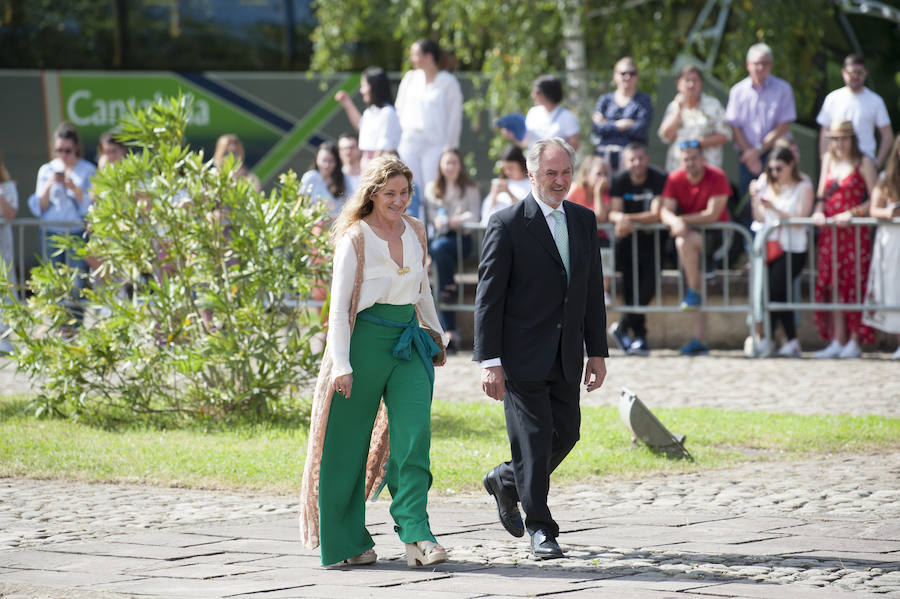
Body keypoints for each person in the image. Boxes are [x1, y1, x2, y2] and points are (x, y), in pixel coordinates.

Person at [298, 156, 448, 568]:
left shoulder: (416, 230)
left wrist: (436, 335)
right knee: (346, 445)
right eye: (390, 194)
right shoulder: (355, 238)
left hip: (409, 343)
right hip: (362, 344)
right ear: (372, 194)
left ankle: (417, 533)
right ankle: (348, 542)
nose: (398, 201)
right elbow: (339, 308)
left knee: (414, 435)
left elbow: (423, 291)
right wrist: (341, 364)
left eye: (404, 193)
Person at [473, 137, 608, 560]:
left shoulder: (584, 221)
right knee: (532, 444)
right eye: (551, 173)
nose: (560, 180)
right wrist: (490, 362)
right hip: (520, 358)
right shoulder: (507, 223)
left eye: (566, 172)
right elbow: (488, 299)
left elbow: (591, 292)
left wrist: (597, 352)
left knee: (566, 434)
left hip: (566, 354)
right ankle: (541, 529)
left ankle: (505, 481)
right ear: (531, 175)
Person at [812, 120, 878, 358]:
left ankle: (855, 338)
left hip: (854, 233)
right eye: (835, 139)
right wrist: (818, 211)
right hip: (831, 233)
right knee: (834, 284)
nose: (839, 144)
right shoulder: (828, 161)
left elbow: (875, 198)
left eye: (844, 138)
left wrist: (853, 213)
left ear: (853, 139)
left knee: (854, 283)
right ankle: (837, 339)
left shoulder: (864, 162)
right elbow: (821, 193)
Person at [659, 140, 731, 356]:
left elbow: (713, 214)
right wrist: (675, 222)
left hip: (718, 236)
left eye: (694, 158)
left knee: (684, 241)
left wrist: (680, 220)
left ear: (703, 158)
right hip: (689, 238)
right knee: (694, 273)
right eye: (685, 159)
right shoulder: (674, 178)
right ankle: (699, 338)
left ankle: (693, 293)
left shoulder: (717, 176)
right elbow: (664, 211)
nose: (690, 163)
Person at [28, 122, 96, 329]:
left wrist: (74, 187)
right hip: (51, 233)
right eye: (59, 150)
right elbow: (39, 206)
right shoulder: (46, 170)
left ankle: (75, 329)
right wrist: (50, 184)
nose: (63, 155)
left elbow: (89, 206)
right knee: (55, 283)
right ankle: (60, 330)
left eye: (67, 150)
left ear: (76, 147)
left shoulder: (87, 170)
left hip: (77, 232)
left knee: (76, 284)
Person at [750, 147, 814, 357]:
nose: (775, 173)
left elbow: (800, 217)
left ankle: (775, 338)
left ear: (791, 165)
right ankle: (783, 339)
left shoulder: (803, 186)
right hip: (771, 247)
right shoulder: (768, 185)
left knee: (776, 291)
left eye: (779, 168)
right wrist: (756, 198)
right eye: (772, 169)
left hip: (793, 248)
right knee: (776, 293)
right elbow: (759, 217)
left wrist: (774, 209)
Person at [725, 43, 796, 226]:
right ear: (748, 65)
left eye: (764, 63)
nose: (760, 68)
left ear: (771, 65)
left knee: (777, 198)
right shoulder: (737, 91)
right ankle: (750, 249)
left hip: (775, 154)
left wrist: (757, 150)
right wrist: (750, 154)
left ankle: (775, 248)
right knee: (748, 202)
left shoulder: (783, 89)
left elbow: (783, 125)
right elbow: (735, 127)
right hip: (747, 157)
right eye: (756, 63)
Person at [607, 142, 667, 356]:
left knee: (648, 287)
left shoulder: (658, 177)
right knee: (631, 290)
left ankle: (623, 326)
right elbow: (612, 212)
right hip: (626, 243)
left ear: (647, 159)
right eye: (632, 159)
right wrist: (620, 217)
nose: (637, 163)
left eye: (640, 158)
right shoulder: (619, 179)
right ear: (625, 162)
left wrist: (626, 218)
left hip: (652, 242)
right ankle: (640, 337)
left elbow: (656, 213)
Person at [424, 148, 480, 353]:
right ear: (440, 165)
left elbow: (474, 215)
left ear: (460, 165)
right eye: (447, 163)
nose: (450, 167)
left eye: (454, 162)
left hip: (461, 239)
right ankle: (450, 332)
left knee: (438, 254)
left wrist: (456, 220)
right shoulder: (432, 188)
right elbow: (430, 216)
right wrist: (439, 221)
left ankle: (449, 331)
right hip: (439, 239)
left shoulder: (470, 187)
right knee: (439, 257)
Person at [395, 39, 463, 200]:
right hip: (409, 141)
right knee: (409, 186)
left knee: (432, 189)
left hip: (435, 144)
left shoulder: (448, 81)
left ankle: (431, 224)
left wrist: (450, 147)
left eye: (416, 55)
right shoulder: (410, 78)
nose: (412, 59)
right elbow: (399, 108)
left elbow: (455, 116)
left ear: (429, 57)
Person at [816, 54, 893, 168]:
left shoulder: (876, 101)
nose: (855, 76)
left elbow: (887, 135)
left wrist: (878, 162)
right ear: (843, 72)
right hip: (837, 164)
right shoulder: (832, 98)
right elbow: (825, 133)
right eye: (851, 73)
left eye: (859, 73)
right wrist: (825, 160)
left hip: (865, 163)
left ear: (866, 73)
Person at [863, 135, 900, 360]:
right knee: (894, 289)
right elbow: (874, 209)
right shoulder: (886, 179)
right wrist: (890, 213)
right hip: (892, 240)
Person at [658, 64, 731, 173]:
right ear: (678, 84)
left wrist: (697, 143)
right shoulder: (674, 106)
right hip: (678, 170)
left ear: (701, 83)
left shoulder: (713, 105)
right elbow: (665, 136)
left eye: (695, 80)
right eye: (687, 80)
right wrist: (679, 109)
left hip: (707, 171)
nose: (691, 84)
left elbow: (725, 135)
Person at [335, 66, 403, 171]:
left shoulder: (388, 112)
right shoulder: (370, 112)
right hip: (369, 166)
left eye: (364, 85)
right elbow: (361, 126)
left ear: (374, 87)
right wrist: (347, 103)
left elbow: (383, 146)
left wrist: (372, 173)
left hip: (382, 167)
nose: (362, 90)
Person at [591, 57, 653, 172]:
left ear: (637, 76)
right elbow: (597, 129)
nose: (627, 77)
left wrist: (607, 124)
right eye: (623, 73)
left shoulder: (644, 100)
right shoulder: (605, 100)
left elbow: (640, 129)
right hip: (604, 158)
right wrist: (620, 125)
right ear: (615, 76)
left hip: (633, 160)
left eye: (632, 73)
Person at [566, 155, 612, 305]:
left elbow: (601, 219)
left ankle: (603, 292)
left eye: (605, 174)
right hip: (577, 237)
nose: (603, 177)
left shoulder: (605, 194)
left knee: (605, 249)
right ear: (587, 175)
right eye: (599, 173)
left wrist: (598, 193)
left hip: (599, 238)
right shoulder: (575, 190)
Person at [503, 75, 580, 150]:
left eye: (536, 92)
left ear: (548, 92)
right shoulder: (533, 112)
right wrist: (513, 136)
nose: (532, 95)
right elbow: (526, 143)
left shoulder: (567, 116)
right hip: (533, 162)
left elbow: (573, 147)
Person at [481, 145, 531, 226]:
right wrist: (494, 195)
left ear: (521, 164)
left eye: (510, 168)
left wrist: (509, 193)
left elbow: (528, 211)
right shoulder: (501, 183)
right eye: (504, 168)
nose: (507, 172)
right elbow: (485, 216)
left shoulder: (531, 183)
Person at [0, 151, 18, 354]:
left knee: (5, 292)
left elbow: (10, 214)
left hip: (3, 251)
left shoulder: (7, 187)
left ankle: (5, 338)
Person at [300, 141, 346, 217]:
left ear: (337, 162)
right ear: (316, 159)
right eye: (324, 160)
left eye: (331, 161)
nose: (326, 165)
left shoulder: (343, 179)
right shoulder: (310, 177)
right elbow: (300, 203)